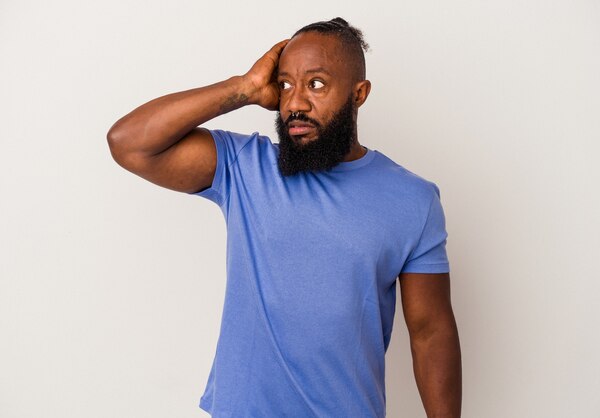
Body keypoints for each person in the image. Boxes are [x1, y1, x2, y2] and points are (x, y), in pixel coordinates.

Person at [107, 17, 462, 418]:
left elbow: (431, 333)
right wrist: (243, 87)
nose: (294, 103)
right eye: (286, 84)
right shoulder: (245, 166)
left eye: (316, 84)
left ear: (358, 94)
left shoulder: (412, 199)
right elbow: (130, 144)